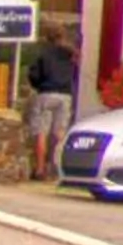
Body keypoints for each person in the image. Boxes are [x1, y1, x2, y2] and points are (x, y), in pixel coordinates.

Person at [26, 19, 79, 184]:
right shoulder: (70, 53)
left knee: (41, 131)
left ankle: (40, 169)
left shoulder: (43, 53)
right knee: (60, 133)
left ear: (46, 37)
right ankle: (58, 169)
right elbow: (74, 73)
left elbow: (34, 75)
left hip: (46, 93)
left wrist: (37, 85)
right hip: (65, 95)